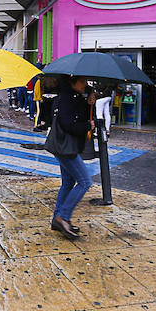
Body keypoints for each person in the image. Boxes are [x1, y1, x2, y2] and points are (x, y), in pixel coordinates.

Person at [49, 75, 93, 239]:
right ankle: (63, 216)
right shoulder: (67, 99)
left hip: (64, 146)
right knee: (85, 182)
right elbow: (69, 124)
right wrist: (88, 125)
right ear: (72, 82)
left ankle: (56, 219)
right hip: (65, 147)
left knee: (68, 182)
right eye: (82, 82)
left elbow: (79, 114)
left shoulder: (72, 96)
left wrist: (89, 97)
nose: (85, 84)